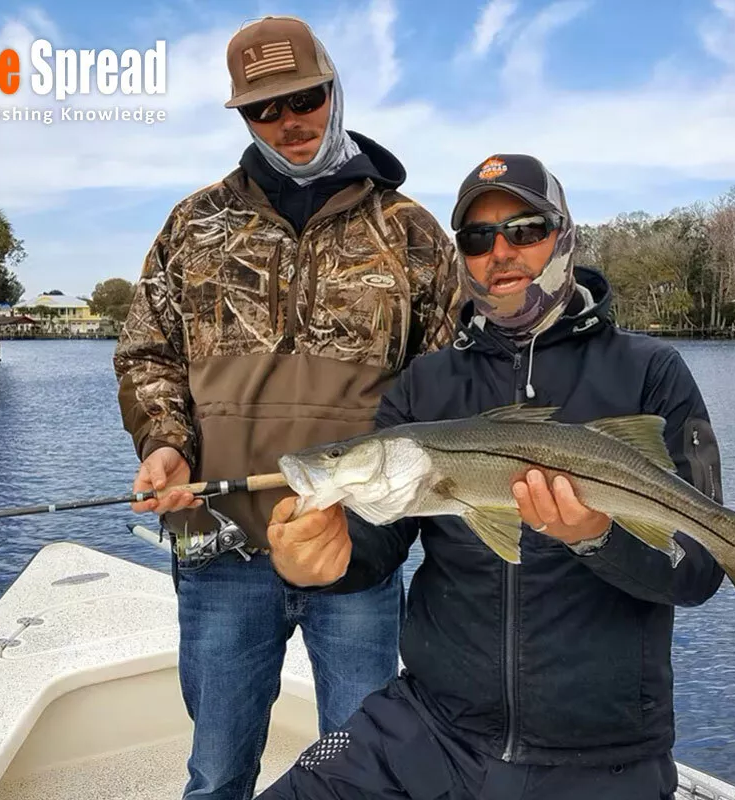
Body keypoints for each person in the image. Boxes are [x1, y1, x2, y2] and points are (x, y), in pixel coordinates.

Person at [258, 154, 728, 800]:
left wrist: (598, 536)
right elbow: (376, 545)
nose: (500, 252)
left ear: (563, 236)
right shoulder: (427, 384)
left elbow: (700, 567)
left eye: (525, 230)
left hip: (605, 760)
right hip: (429, 728)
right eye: (478, 238)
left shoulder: (651, 374)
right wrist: (322, 558)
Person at [112, 15, 460, 800]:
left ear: (333, 90)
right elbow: (146, 353)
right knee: (217, 770)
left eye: (303, 97)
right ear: (242, 116)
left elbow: (444, 389)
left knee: (368, 772)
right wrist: (163, 442)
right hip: (221, 545)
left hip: (356, 550)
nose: (288, 121)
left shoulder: (410, 232)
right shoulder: (193, 225)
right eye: (263, 108)